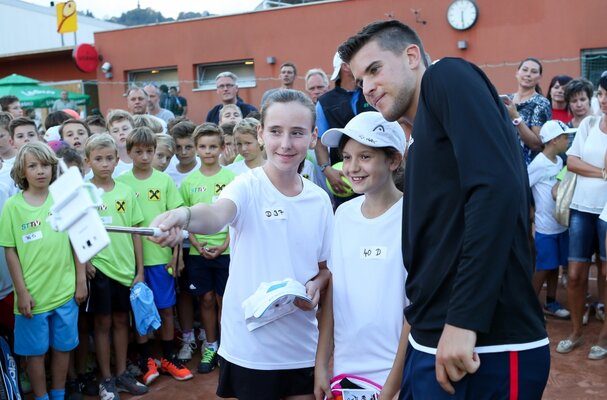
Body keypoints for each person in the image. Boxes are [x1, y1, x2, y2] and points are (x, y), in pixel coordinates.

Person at [340, 20, 550, 398]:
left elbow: (496, 189)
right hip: (432, 340)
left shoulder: (446, 76)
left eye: (374, 69)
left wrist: (464, 318)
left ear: (412, 56)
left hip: (484, 346)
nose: (367, 87)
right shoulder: (420, 135)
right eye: (359, 80)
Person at [149, 89, 333, 400]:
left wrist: (317, 284)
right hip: (251, 347)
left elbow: (325, 270)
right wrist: (184, 215)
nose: (285, 143)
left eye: (297, 132)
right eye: (275, 131)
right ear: (261, 133)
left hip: (302, 346)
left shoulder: (319, 200)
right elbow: (215, 215)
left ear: (313, 136)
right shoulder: (246, 185)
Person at [313, 112, 408, 398]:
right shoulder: (343, 214)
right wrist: (321, 364)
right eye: (347, 157)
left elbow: (416, 308)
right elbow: (334, 293)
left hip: (398, 373)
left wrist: (391, 388)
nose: (352, 167)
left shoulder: (413, 217)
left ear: (393, 160)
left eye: (365, 156)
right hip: (347, 371)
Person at [0, 142, 87, 400]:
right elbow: (10, 251)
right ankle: (41, 396)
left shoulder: (63, 199)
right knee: (35, 353)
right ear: (22, 171)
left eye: (45, 165)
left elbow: (77, 239)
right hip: (33, 297)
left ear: (53, 168)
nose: (40, 171)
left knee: (62, 347)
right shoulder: (13, 207)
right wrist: (21, 292)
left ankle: (58, 394)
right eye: (33, 166)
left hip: (65, 291)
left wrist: (80, 279)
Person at [115, 127, 193, 384]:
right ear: (129, 152)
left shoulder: (164, 181)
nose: (145, 157)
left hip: (160, 258)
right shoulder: (121, 183)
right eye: (139, 152)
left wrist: (176, 255)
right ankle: (146, 360)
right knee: (139, 312)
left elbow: (178, 222)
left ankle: (169, 357)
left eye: (150, 151)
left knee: (166, 309)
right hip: (131, 262)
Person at [83, 133, 149, 399]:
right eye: (98, 159)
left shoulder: (125, 191)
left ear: (117, 160)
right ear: (88, 161)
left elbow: (136, 232)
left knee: (122, 320)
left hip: (126, 270)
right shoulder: (83, 192)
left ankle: (121, 374)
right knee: (102, 324)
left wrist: (140, 271)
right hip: (99, 269)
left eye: (109, 158)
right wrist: (86, 260)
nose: (105, 164)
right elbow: (77, 232)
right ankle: (106, 379)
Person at [556, 75, 607, 357]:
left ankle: (604, 337)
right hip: (582, 207)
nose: (603, 100)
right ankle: (576, 332)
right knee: (574, 275)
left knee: (606, 274)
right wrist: (602, 173)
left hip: (606, 212)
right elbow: (572, 163)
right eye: (600, 94)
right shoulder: (588, 124)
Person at [179, 123, 236, 374]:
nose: (208, 151)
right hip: (198, 252)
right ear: (196, 149)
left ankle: (228, 348)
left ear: (222, 147)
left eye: (213, 146)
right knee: (206, 299)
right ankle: (211, 346)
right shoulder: (189, 182)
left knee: (225, 300)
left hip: (227, 251)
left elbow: (237, 217)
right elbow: (186, 218)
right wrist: (196, 243)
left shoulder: (232, 179)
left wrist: (225, 244)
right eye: (203, 146)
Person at [315, 52, 374, 205]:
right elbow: (319, 142)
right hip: (344, 178)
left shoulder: (373, 91)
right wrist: (327, 170)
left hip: (377, 173)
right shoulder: (325, 102)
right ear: (346, 66)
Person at [528, 120, 571, 318]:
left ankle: (551, 302)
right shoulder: (538, 164)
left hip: (560, 225)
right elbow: (523, 186)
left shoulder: (559, 161)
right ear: (554, 140)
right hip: (545, 227)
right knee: (544, 267)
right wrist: (530, 210)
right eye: (565, 137)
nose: (568, 140)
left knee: (555, 266)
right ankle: (528, 305)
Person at [503, 57, 552, 165]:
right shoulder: (506, 100)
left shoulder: (541, 103)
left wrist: (515, 117)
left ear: (539, 78)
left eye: (534, 72)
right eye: (525, 70)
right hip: (503, 161)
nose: (528, 74)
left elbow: (537, 144)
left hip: (526, 165)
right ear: (517, 73)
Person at [106, 110, 135, 177]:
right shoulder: (109, 164)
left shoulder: (144, 157)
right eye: (115, 131)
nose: (121, 133)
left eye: (125, 129)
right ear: (109, 135)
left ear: (134, 129)